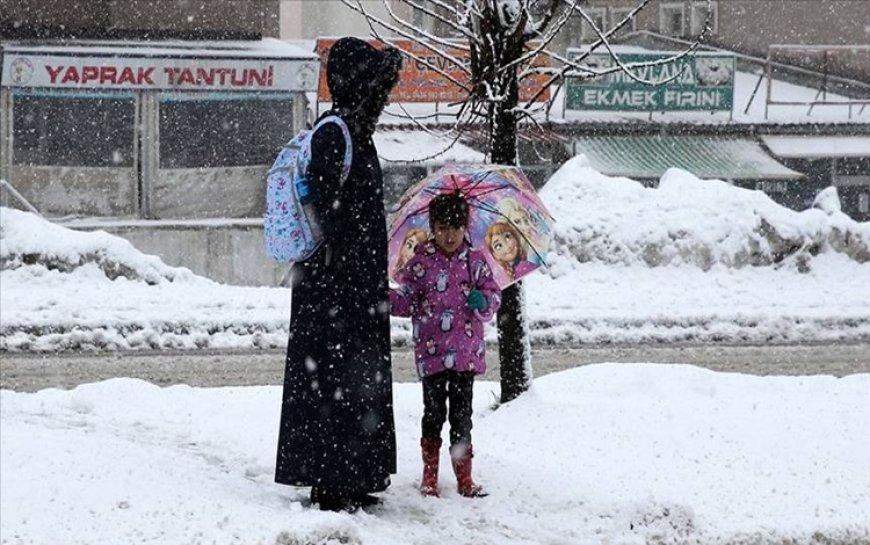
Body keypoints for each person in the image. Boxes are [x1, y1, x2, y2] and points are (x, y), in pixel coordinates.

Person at [275, 37, 403, 512]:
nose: (384, 96)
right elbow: (332, 211)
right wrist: (354, 262)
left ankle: (356, 472)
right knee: (335, 381)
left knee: (358, 380)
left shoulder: (356, 131)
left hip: (353, 282)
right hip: (334, 283)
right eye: (376, 86)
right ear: (356, 84)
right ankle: (331, 478)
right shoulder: (335, 132)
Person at [390, 192, 501, 498]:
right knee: (433, 414)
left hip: (465, 355)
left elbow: (494, 297)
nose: (449, 235)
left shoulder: (476, 262)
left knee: (461, 417)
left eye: (455, 227)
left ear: (465, 227)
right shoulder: (421, 263)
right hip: (432, 354)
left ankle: (465, 477)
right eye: (441, 228)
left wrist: (483, 300)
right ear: (432, 228)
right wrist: (385, 298)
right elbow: (407, 298)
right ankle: (430, 476)